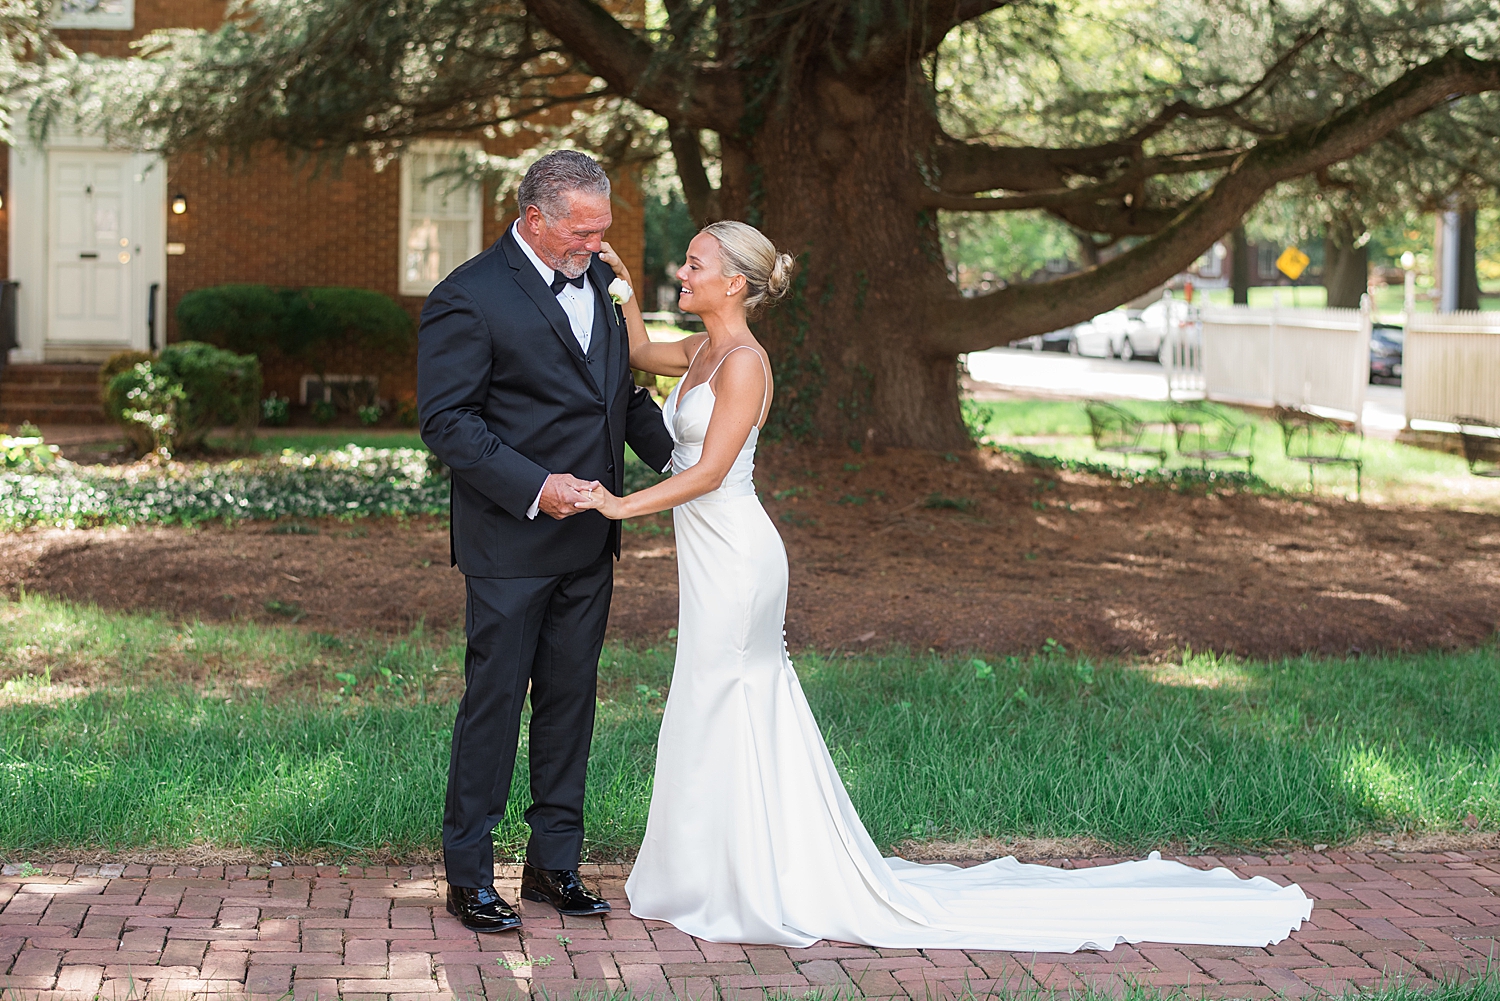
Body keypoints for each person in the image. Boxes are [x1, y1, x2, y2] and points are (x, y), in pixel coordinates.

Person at [576, 220, 1315, 951]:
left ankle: (753, 878)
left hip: (738, 558)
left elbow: (706, 472)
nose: (686, 269)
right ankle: (705, 872)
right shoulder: (703, 348)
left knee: (728, 698)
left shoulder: (744, 362)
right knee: (704, 701)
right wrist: (625, 288)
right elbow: (640, 350)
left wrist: (617, 504)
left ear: (733, 281)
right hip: (708, 558)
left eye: (696, 262)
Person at [417, 150, 675, 933]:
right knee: (493, 706)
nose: (597, 246)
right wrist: (536, 486)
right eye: (584, 230)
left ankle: (553, 864)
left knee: (570, 704)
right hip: (509, 543)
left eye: (603, 230)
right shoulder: (467, 296)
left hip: (589, 543)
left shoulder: (598, 280)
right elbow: (449, 423)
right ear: (535, 218)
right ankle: (469, 874)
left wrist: (685, 462)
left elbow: (616, 399)